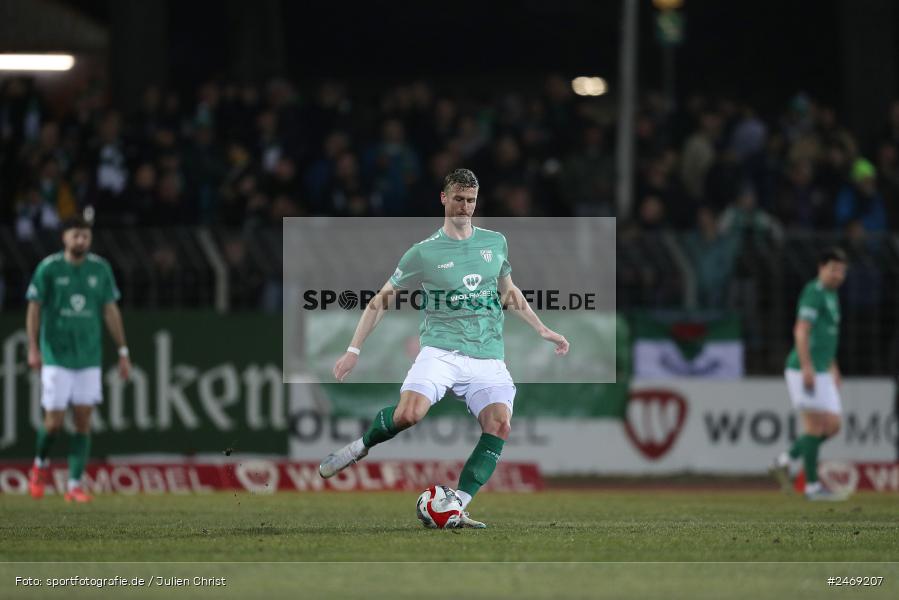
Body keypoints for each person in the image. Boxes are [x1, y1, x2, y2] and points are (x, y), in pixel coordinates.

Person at [318, 168, 569, 527]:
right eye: (458, 200)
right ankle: (359, 447)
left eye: (471, 201)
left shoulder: (495, 242)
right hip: (441, 352)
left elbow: (508, 292)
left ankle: (456, 505)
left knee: (499, 424)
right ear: (443, 198)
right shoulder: (423, 253)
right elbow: (380, 301)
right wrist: (353, 350)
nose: (465, 207)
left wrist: (542, 328)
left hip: (487, 356)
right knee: (409, 415)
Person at [27, 216, 131, 503]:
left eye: (85, 236)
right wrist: (33, 347)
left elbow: (111, 310)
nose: (81, 241)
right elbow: (34, 308)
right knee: (54, 423)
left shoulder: (100, 269)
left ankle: (74, 484)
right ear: (65, 238)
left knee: (83, 419)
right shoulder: (49, 269)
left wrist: (123, 351)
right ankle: (40, 464)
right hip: (57, 356)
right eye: (76, 235)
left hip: (88, 357)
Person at [770, 247, 847, 501]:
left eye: (841, 271)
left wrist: (833, 366)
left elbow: (826, 337)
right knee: (814, 426)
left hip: (823, 369)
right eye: (833, 269)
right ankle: (812, 488)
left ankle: (784, 459)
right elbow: (801, 330)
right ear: (821, 268)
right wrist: (806, 366)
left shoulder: (832, 296)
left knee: (833, 425)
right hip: (804, 368)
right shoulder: (814, 293)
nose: (837, 275)